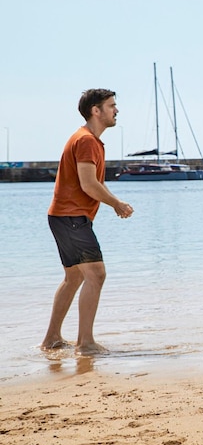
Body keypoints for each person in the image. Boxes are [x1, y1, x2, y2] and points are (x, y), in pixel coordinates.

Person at [41, 89, 134, 355]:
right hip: (70, 217)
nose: (116, 110)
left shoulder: (87, 140)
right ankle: (85, 343)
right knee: (96, 274)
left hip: (65, 216)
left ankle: (52, 340)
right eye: (111, 106)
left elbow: (92, 183)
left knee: (73, 278)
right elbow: (89, 184)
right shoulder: (86, 141)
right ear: (96, 110)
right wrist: (117, 204)